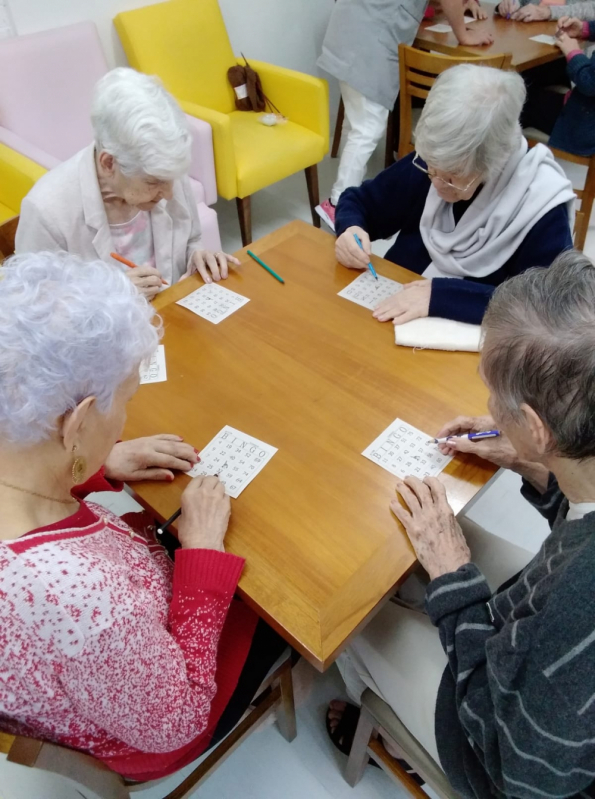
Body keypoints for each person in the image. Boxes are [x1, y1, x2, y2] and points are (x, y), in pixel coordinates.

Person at [0, 251, 287, 782]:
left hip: (100, 669)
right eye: (124, 400)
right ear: (78, 420)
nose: (126, 417)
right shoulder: (77, 597)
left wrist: (97, 462)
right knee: (286, 594)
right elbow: (175, 719)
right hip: (153, 724)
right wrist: (200, 553)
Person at [328, 250, 595, 798]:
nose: (489, 406)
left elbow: (525, 770)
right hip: (543, 629)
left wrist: (453, 578)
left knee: (348, 611)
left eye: (496, 396)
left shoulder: (578, 603)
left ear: (536, 425)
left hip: (495, 753)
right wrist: (535, 464)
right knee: (425, 556)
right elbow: (577, 526)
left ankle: (392, 731)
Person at [334, 65, 574, 326]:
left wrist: (442, 297)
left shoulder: (540, 207)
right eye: (431, 168)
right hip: (389, 312)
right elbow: (359, 202)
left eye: (452, 177)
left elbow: (547, 305)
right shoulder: (433, 163)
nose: (436, 183)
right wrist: (350, 228)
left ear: (493, 164)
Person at [15, 68, 239, 301]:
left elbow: (191, 237)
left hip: (173, 316)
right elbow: (33, 311)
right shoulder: (47, 213)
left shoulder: (163, 167)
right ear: (109, 163)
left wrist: (198, 256)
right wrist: (108, 297)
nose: (170, 194)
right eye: (154, 182)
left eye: (172, 179)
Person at [315, 0, 492, 231]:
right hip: (368, 39)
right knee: (367, 129)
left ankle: (345, 196)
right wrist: (464, 35)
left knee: (357, 121)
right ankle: (339, 204)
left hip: (350, 31)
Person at [521, 17, 595, 157]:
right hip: (583, 106)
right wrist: (584, 28)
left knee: (519, 102)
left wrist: (573, 53)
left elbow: (590, 82)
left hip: (585, 126)